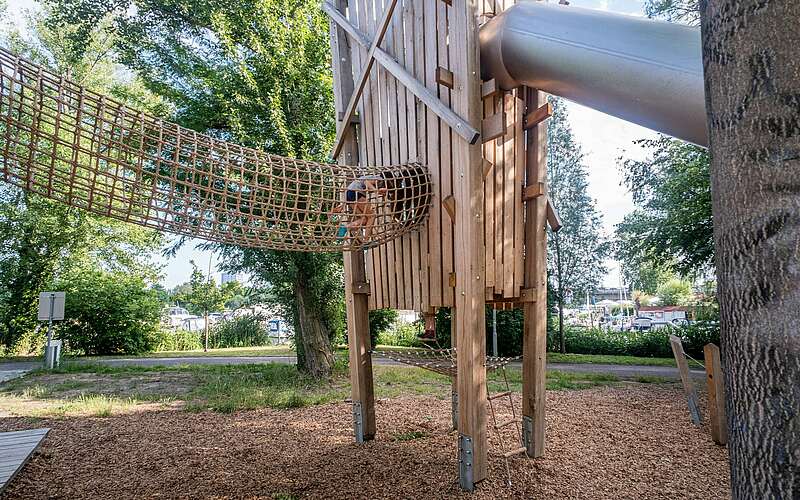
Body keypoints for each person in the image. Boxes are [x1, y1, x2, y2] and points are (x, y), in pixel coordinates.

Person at [332, 173, 388, 238]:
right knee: (372, 216)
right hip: (356, 192)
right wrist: (376, 191)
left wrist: (343, 205)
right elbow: (366, 182)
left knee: (364, 219)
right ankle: (366, 241)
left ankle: (345, 228)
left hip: (349, 193)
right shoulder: (379, 178)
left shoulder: (373, 179)